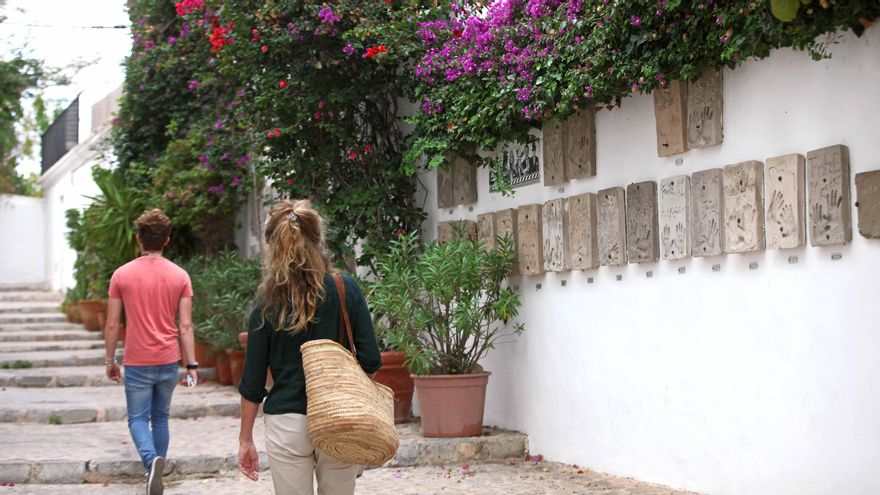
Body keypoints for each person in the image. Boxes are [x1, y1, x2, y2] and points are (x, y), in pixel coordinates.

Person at [237, 199, 382, 495]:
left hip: (287, 422)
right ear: (319, 239)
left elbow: (252, 382)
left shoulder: (265, 303)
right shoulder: (345, 288)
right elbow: (371, 359)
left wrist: (245, 440)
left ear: (272, 246)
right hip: (338, 416)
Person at [103, 209, 199, 495]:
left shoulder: (121, 275)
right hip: (169, 359)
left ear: (138, 239)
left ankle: (150, 462)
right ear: (167, 240)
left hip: (137, 360)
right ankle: (156, 475)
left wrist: (110, 360)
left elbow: (111, 324)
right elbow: (185, 325)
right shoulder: (180, 275)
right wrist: (192, 366)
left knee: (137, 419)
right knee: (160, 419)